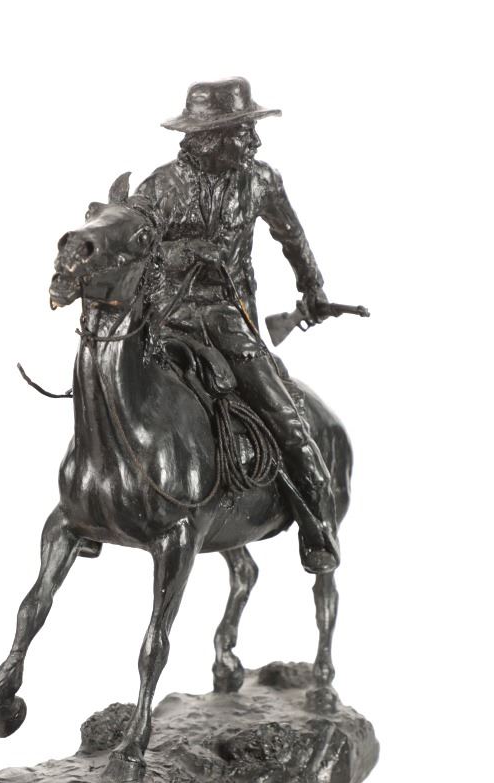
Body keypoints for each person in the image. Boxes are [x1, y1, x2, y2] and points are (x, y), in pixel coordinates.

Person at [136, 77, 339, 573]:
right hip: (166, 319)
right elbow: (132, 250)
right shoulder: (159, 188)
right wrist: (184, 252)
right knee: (108, 383)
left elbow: (292, 236)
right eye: (243, 132)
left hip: (230, 320)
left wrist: (312, 289)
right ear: (210, 137)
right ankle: (93, 500)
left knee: (285, 416)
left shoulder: (261, 180)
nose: (254, 141)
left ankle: (317, 522)